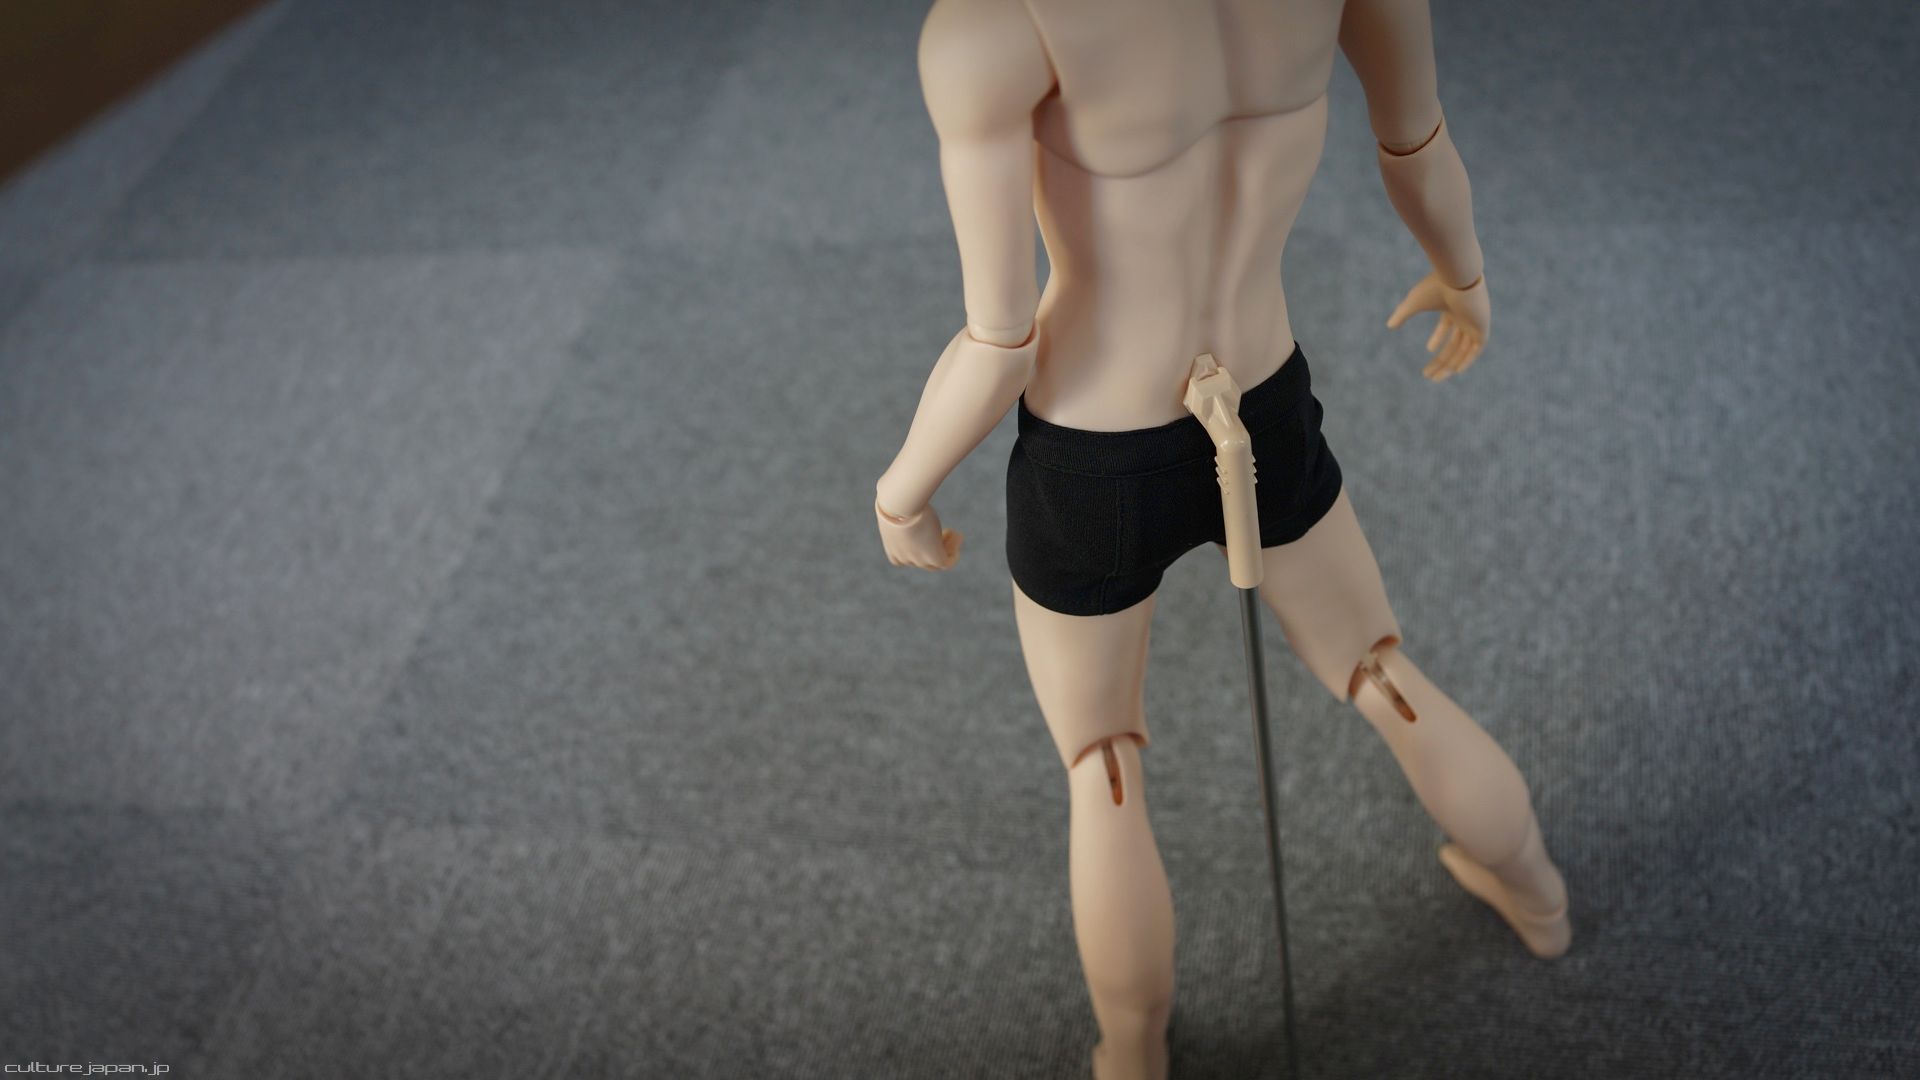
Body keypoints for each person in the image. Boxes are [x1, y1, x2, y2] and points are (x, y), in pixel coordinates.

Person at [872, 2, 1570, 1076]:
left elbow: (999, 340)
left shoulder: (994, 29)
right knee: (1378, 667)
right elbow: (1416, 139)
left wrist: (903, 492)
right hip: (1263, 394)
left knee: (1103, 759)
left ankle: (1133, 1045)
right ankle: (1536, 891)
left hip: (1096, 446)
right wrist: (1463, 274)